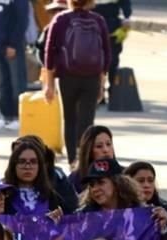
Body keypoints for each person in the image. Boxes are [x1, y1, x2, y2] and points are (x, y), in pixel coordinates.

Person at [43, 1, 110, 164]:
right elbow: (106, 54)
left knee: (69, 119)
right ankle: (85, 161)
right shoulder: (99, 20)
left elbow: (49, 53)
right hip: (92, 77)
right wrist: (101, 84)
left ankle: (73, 161)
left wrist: (49, 84)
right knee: (87, 121)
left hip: (67, 76)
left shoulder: (60, 19)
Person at [0, 0, 29, 130]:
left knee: (18, 83)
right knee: (4, 83)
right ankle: (6, 116)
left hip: (13, 46)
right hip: (0, 46)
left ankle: (20, 117)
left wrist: (13, 44)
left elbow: (22, 21)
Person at [5, 137, 70, 217]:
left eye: (33, 162)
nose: (28, 167)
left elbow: (70, 223)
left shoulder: (52, 197)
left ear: (40, 167)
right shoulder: (3, 196)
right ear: (13, 165)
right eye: (22, 162)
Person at [76, 158, 145, 214]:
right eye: (91, 184)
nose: (94, 189)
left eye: (101, 182)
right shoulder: (84, 216)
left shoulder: (138, 212)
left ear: (117, 184)